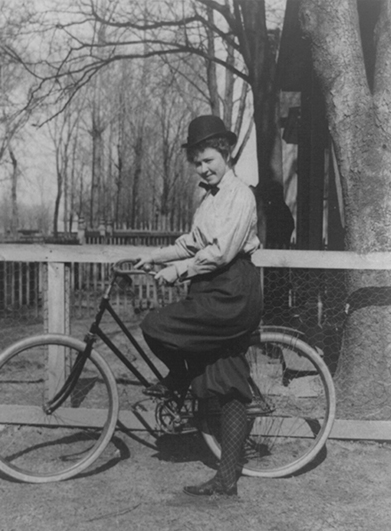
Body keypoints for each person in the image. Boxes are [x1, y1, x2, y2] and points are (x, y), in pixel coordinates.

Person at [134, 115, 263, 497]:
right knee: (227, 383)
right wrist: (156, 257)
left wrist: (178, 272)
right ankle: (226, 479)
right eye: (198, 163)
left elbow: (221, 252)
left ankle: (178, 377)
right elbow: (193, 241)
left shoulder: (240, 195)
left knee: (156, 324)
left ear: (224, 153)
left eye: (209, 160)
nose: (203, 168)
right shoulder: (209, 198)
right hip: (211, 290)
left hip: (231, 291)